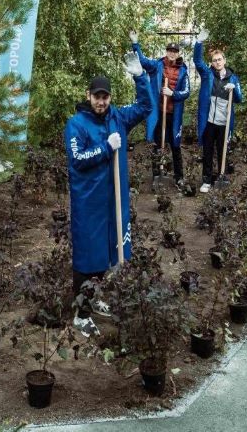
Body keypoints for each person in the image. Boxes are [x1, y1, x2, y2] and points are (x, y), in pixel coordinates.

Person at [64, 53, 152, 337]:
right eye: (97, 97)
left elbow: (146, 106)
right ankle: (80, 313)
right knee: (87, 256)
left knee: (106, 254)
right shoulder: (76, 124)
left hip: (113, 199)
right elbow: (78, 158)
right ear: (88, 95)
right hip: (89, 202)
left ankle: (94, 298)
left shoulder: (117, 117)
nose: (101, 102)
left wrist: (140, 77)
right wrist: (106, 147)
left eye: (106, 97)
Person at [129, 31, 190, 184]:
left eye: (175, 51)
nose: (172, 53)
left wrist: (172, 93)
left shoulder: (183, 71)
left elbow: (186, 92)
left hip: (173, 115)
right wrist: (135, 44)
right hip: (158, 112)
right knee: (157, 144)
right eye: (170, 50)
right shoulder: (157, 65)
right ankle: (156, 175)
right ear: (166, 52)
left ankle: (179, 177)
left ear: (178, 54)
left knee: (175, 145)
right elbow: (141, 61)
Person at [193, 31, 243, 193]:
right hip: (209, 122)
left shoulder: (233, 78)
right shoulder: (208, 75)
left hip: (224, 122)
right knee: (207, 152)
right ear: (212, 63)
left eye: (219, 59)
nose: (217, 62)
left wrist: (234, 90)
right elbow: (197, 61)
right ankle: (207, 180)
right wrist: (199, 43)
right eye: (214, 60)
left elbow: (239, 99)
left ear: (224, 60)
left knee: (222, 151)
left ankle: (222, 177)